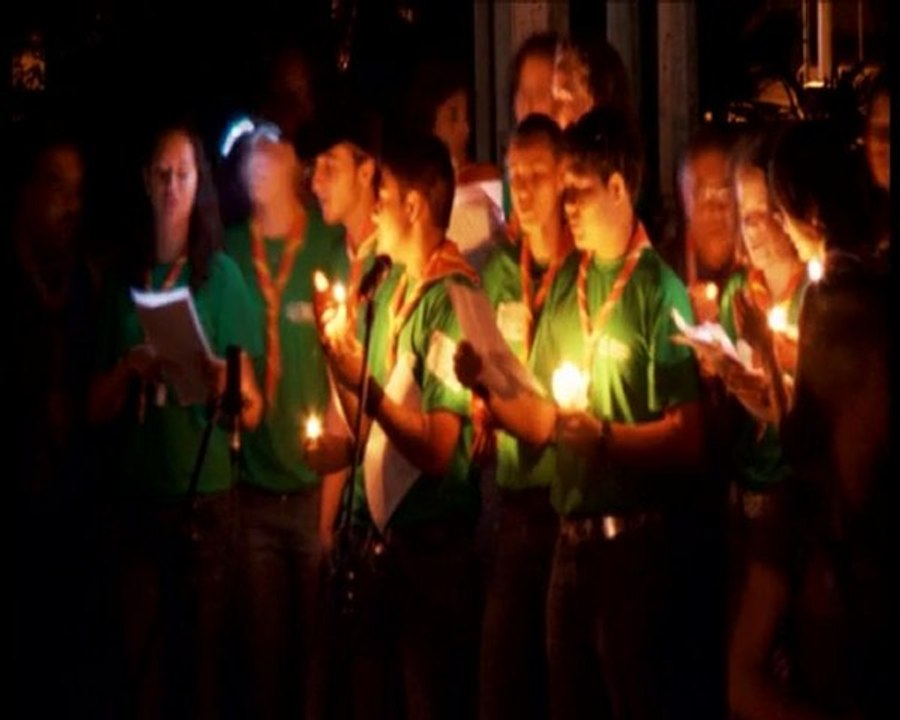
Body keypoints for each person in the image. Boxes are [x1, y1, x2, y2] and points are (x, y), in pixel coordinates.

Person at [457, 107, 702, 719]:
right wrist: (484, 385)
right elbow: (543, 423)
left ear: (618, 186)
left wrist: (606, 438)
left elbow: (688, 436)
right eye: (562, 193)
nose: (566, 208)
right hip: (569, 548)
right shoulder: (569, 281)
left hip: (633, 550)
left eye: (577, 192)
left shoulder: (658, 290)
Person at [88, 122, 262, 720]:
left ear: (198, 184)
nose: (170, 187)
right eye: (161, 174)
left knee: (201, 667)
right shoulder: (124, 279)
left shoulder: (220, 278)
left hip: (202, 498)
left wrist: (219, 379)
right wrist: (127, 369)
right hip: (139, 495)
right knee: (144, 666)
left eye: (182, 175)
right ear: (145, 180)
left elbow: (251, 406)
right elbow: (93, 406)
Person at [313, 133, 481, 720]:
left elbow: (437, 448)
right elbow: (369, 423)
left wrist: (365, 385)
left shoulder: (452, 296)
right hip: (381, 543)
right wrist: (338, 358)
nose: (374, 210)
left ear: (413, 206)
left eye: (382, 197)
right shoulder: (391, 288)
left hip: (432, 552)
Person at [728, 122, 889, 720]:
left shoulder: (834, 295)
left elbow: (799, 438)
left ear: (811, 208)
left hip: (841, 533)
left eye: (781, 209)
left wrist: (768, 357)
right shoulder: (871, 278)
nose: (779, 227)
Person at [224, 122, 346, 720]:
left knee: (319, 659)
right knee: (264, 663)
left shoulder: (327, 246)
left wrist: (328, 513)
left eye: (272, 151)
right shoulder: (227, 251)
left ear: (298, 164)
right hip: (251, 494)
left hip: (312, 493)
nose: (259, 162)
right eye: (251, 153)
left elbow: (344, 377)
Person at [476, 113, 574, 720]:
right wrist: (478, 400)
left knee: (562, 683)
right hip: (513, 501)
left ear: (565, 177)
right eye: (516, 175)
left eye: (538, 173)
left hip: (567, 503)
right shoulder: (498, 271)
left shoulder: (582, 269)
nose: (526, 188)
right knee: (499, 682)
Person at [8, 126, 102, 718]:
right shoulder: (10, 287)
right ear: (27, 191)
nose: (70, 205)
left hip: (68, 519)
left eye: (78, 191)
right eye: (57, 187)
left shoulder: (83, 286)